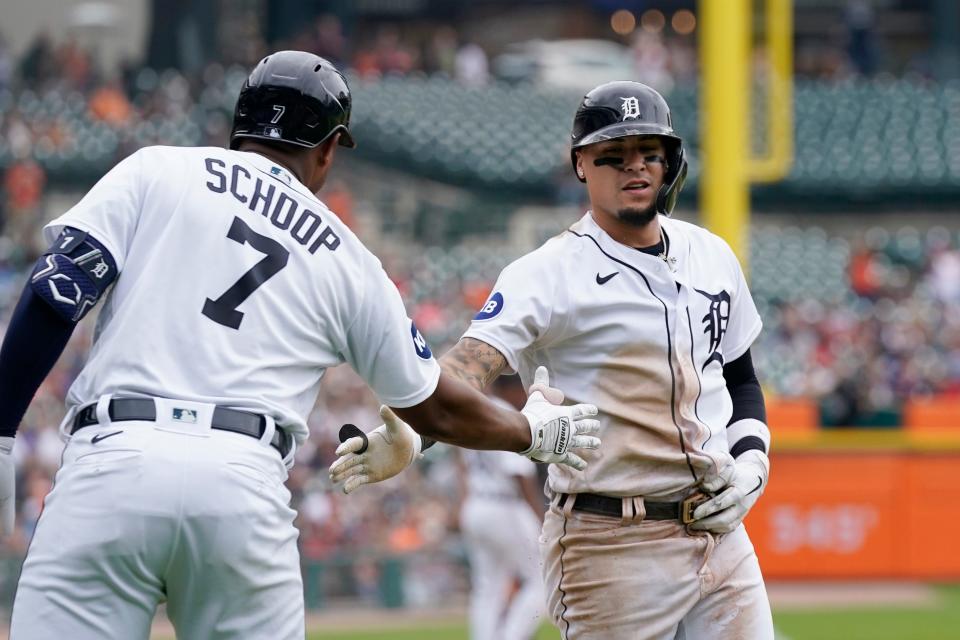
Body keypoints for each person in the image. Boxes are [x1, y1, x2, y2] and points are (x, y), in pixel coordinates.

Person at [0, 51, 600, 640]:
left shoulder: (155, 169)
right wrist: (533, 432)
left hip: (111, 462)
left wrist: (2, 431)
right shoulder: (349, 258)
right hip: (241, 485)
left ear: (240, 125)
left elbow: (56, 292)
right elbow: (435, 407)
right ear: (329, 148)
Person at [332, 81, 774, 639]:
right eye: (612, 155)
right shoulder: (547, 271)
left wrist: (754, 461)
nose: (633, 167)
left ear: (670, 161)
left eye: (648, 153)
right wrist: (417, 431)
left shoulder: (711, 254)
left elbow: (741, 378)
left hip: (721, 533)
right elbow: (470, 365)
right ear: (581, 165)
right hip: (611, 542)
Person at [456, 376, 545, 640]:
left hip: (476, 504)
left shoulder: (475, 410)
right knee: (541, 581)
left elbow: (459, 461)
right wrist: (542, 519)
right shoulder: (504, 413)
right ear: (514, 389)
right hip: (503, 506)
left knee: (487, 587)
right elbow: (519, 474)